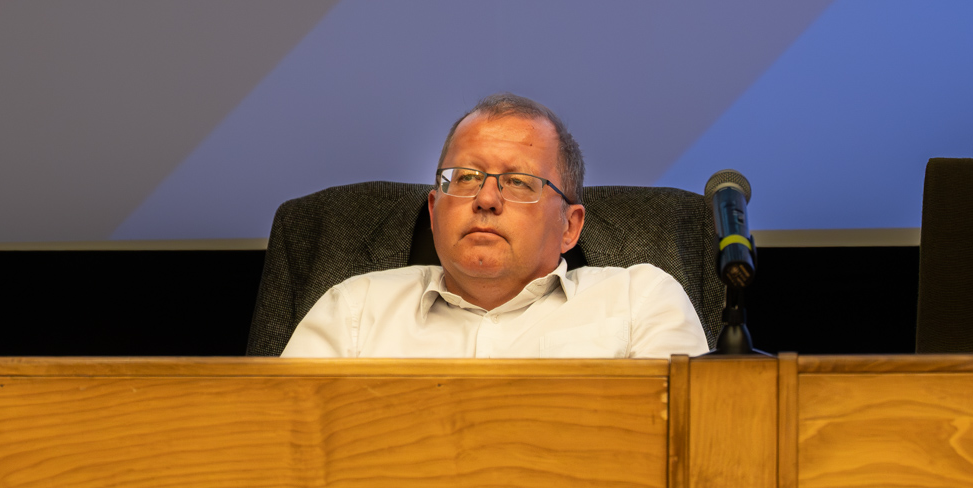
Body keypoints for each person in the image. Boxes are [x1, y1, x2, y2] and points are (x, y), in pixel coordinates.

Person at [281, 93, 709, 358]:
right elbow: (278, 447)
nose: (485, 199)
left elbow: (688, 452)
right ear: (433, 210)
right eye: (466, 178)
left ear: (569, 226)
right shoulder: (355, 310)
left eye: (519, 182)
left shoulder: (640, 302)